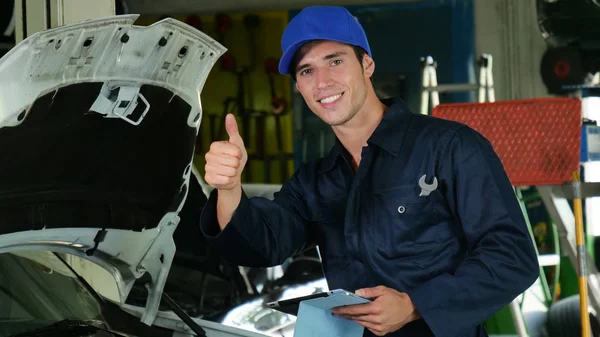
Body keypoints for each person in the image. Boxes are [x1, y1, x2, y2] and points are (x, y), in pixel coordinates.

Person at [200, 5, 539, 337]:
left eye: (335, 61)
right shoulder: (314, 181)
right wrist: (229, 189)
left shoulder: (450, 147)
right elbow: (263, 245)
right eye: (307, 71)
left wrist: (414, 305)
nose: (323, 82)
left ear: (367, 64)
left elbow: (512, 257)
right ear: (299, 88)